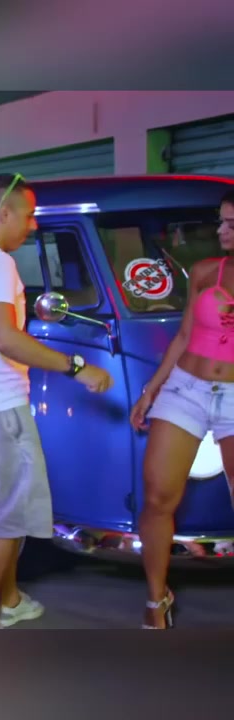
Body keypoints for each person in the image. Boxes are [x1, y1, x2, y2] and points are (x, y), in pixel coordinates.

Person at [0, 173, 112, 630]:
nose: (33, 226)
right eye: (29, 216)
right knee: (6, 519)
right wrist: (76, 367)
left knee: (5, 512)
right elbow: (5, 338)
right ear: (4, 212)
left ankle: (9, 600)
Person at [130, 188, 234, 629]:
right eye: (221, 221)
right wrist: (151, 391)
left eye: (231, 224)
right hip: (186, 387)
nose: (221, 230)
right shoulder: (207, 271)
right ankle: (156, 599)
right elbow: (184, 337)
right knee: (158, 496)